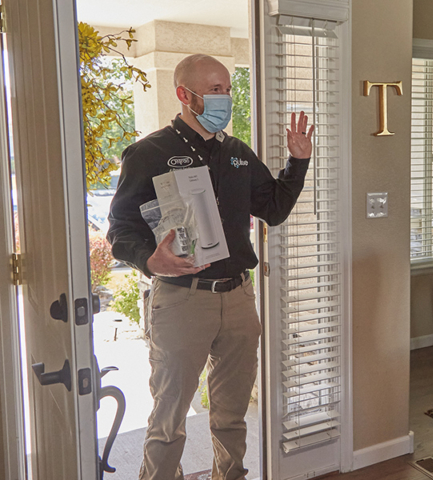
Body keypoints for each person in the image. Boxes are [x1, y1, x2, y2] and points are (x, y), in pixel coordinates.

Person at [107, 53, 314, 480]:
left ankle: (230, 475)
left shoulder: (237, 153)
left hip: (238, 297)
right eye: (215, 89)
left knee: (232, 413)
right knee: (169, 419)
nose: (225, 97)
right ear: (186, 95)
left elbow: (273, 209)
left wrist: (298, 163)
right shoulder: (148, 153)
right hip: (183, 300)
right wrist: (149, 259)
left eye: (228, 89)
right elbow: (120, 229)